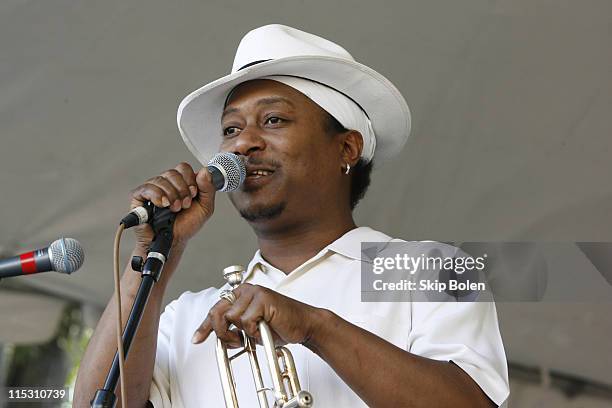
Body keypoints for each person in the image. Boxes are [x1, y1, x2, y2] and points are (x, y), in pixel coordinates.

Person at [74, 24, 509, 407]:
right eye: (230, 129)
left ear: (346, 149)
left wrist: (313, 326)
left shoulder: (433, 269)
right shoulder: (190, 316)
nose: (242, 144)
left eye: (274, 120)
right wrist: (157, 253)